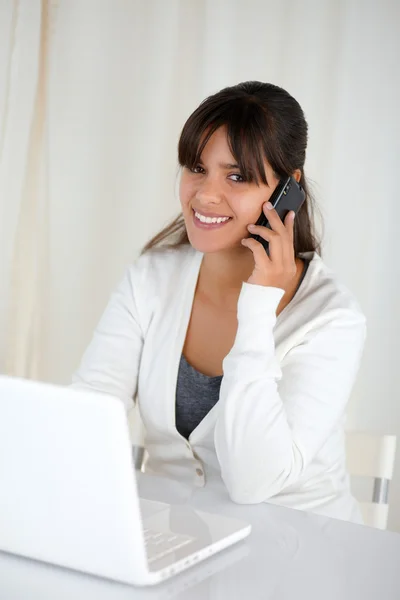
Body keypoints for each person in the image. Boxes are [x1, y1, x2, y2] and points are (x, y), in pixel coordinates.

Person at [72, 81, 366, 523]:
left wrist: (259, 304)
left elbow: (253, 482)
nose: (205, 195)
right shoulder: (152, 278)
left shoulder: (333, 318)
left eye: (237, 176)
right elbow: (87, 413)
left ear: (289, 188)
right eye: (196, 167)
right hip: (174, 541)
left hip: (298, 551)